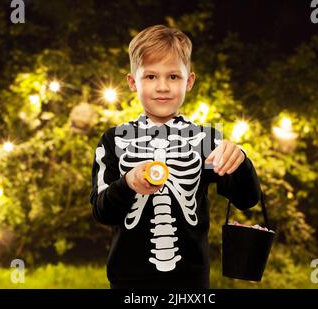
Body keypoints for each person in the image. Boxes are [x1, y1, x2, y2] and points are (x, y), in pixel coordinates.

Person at [90, 25, 261, 289]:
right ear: (132, 83)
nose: (162, 87)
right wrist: (127, 184)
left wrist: (240, 160)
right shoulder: (114, 140)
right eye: (150, 77)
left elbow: (246, 198)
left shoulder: (207, 140)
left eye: (173, 77)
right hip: (128, 282)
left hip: (191, 283)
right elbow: (102, 211)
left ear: (189, 81)